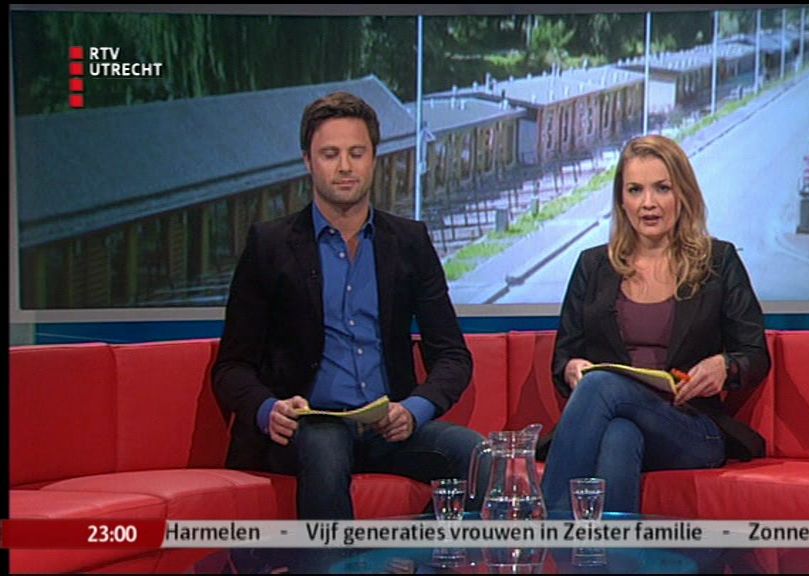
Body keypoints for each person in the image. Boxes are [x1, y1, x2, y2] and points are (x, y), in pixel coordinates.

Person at [212, 91, 485, 519]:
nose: (344, 167)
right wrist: (270, 410)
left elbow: (452, 356)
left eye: (356, 153)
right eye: (330, 154)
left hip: (387, 427)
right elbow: (232, 367)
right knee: (325, 446)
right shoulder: (270, 245)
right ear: (308, 161)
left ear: (373, 159)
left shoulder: (409, 242)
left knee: (480, 456)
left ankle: (422, 552)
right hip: (308, 429)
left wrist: (413, 411)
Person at [540, 134, 771, 514]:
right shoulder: (592, 266)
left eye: (662, 188)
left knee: (602, 387)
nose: (648, 203)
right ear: (621, 200)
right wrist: (571, 368)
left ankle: (546, 528)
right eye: (635, 190)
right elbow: (565, 355)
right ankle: (611, 549)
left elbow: (754, 353)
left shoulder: (718, 261)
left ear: (683, 194)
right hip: (617, 419)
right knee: (619, 437)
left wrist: (724, 366)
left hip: (690, 425)